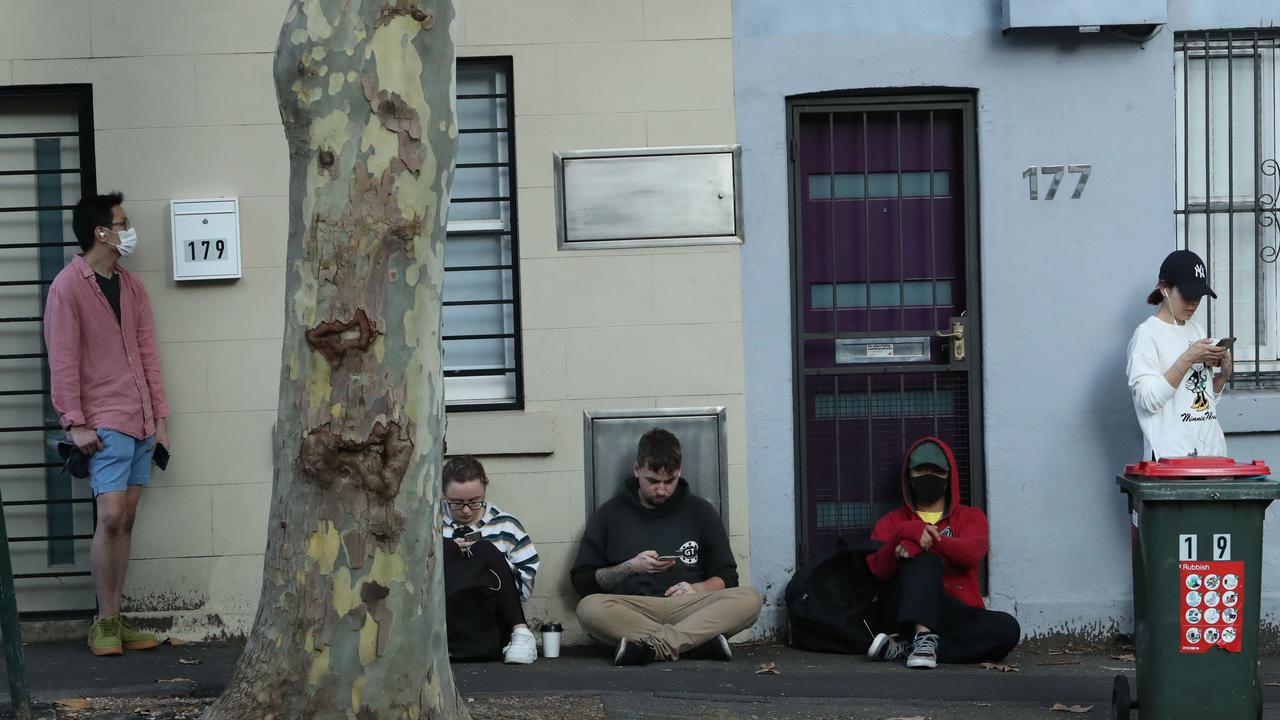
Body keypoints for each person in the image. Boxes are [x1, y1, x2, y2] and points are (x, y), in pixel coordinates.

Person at [44, 192, 168, 656]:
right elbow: (63, 359)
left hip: (139, 421)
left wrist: (160, 420)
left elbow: (149, 356)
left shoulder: (132, 287)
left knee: (128, 518)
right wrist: (74, 423)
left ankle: (116, 616)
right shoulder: (68, 287)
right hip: (103, 422)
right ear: (102, 232)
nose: (128, 229)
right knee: (110, 516)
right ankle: (103, 621)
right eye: (122, 222)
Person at [571, 428, 762, 665]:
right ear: (637, 469)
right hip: (635, 608)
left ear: (679, 472)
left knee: (750, 599)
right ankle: (693, 644)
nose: (661, 490)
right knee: (588, 608)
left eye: (669, 481)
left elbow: (728, 576)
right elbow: (582, 582)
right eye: (652, 481)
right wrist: (629, 568)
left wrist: (697, 588)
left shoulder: (701, 511)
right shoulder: (610, 514)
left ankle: (653, 648)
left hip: (688, 607)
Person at [865, 437, 1020, 669]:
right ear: (909, 475)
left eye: (936, 470)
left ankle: (908, 646)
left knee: (1008, 629)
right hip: (904, 610)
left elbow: (970, 552)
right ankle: (921, 636)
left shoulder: (970, 517)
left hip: (952, 611)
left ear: (949, 477)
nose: (928, 475)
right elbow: (877, 569)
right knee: (922, 559)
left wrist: (928, 542)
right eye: (921, 469)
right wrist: (906, 532)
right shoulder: (892, 523)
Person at [1126, 249, 1230, 460]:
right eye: (1186, 294)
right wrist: (1188, 358)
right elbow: (1148, 400)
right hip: (1171, 461)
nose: (1193, 302)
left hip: (1212, 455)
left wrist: (1222, 376)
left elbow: (1202, 400)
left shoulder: (1196, 329)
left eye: (1198, 295)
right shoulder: (1146, 335)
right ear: (1164, 288)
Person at [441, 455, 539, 664]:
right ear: (443, 494)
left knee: (484, 549)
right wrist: (452, 551)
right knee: (446, 547)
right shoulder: (429, 522)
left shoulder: (505, 525)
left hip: (491, 617)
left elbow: (525, 585)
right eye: (457, 503)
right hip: (445, 618)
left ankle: (520, 632)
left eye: (475, 502)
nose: (466, 510)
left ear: (485, 491)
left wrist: (486, 558)